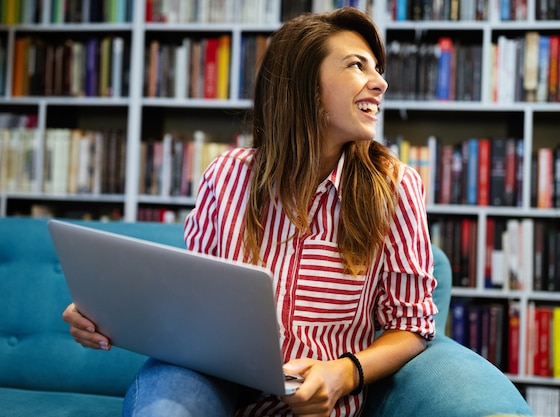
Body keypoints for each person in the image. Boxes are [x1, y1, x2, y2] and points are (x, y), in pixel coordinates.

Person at [62, 7, 438, 417]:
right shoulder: (226, 176)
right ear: (306, 86)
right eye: (357, 65)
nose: (380, 82)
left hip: (315, 402)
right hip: (207, 381)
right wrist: (105, 315)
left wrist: (343, 374)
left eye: (377, 68)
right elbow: (188, 301)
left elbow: (412, 327)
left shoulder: (394, 188)